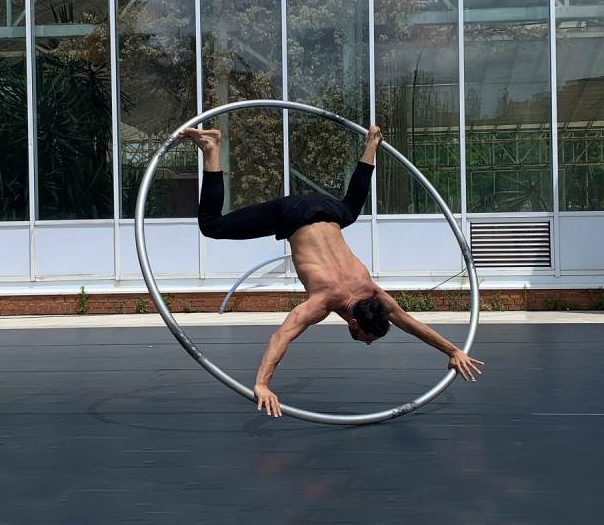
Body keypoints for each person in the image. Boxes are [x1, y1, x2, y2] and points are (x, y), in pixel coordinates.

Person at [182, 124, 483, 418]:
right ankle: (211, 147)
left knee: (351, 209)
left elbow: (407, 321)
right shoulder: (324, 300)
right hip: (295, 214)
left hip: (330, 210)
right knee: (211, 226)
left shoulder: (370, 289)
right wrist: (262, 384)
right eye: (367, 336)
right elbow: (281, 337)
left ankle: (371, 144)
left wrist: (452, 350)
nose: (367, 342)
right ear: (354, 321)